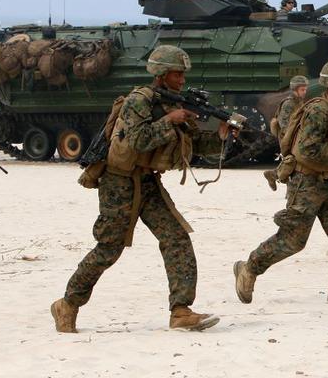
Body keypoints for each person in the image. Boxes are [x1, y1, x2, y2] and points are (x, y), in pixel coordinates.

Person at [50, 45, 220, 333]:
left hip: (148, 180)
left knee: (176, 238)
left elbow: (193, 145)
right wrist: (170, 120)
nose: (182, 80)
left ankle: (180, 311)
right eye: (177, 74)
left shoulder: (171, 102)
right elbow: (135, 142)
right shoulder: (138, 102)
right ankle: (67, 304)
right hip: (119, 182)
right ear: (162, 74)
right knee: (109, 248)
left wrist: (223, 137)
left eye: (183, 74)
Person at [233, 60, 328, 305]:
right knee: (293, 240)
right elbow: (306, 150)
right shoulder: (318, 110)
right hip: (306, 183)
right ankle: (249, 268)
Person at [264, 75, 310, 191]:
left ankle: (273, 175)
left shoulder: (299, 101)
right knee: (292, 162)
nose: (305, 92)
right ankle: (278, 179)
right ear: (295, 90)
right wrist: (292, 138)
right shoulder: (289, 103)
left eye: (305, 89)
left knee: (294, 163)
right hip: (288, 137)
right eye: (302, 90)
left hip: (296, 136)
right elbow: (284, 124)